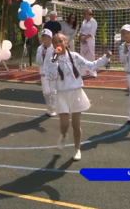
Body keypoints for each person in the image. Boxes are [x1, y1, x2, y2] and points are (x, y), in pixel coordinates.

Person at [45, 33, 111, 161]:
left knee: (76, 124)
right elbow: (51, 76)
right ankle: (63, 135)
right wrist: (54, 59)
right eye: (55, 43)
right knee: (64, 124)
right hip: (62, 94)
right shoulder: (53, 59)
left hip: (76, 93)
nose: (58, 44)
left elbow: (91, 65)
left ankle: (77, 149)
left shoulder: (74, 57)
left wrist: (105, 58)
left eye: (60, 41)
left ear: (65, 42)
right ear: (53, 46)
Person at [35, 29, 56, 117]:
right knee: (46, 92)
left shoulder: (55, 48)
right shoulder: (40, 48)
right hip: (44, 73)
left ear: (50, 38)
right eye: (43, 38)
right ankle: (49, 107)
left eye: (46, 38)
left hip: (53, 72)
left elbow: (56, 60)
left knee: (53, 91)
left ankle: (53, 109)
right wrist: (42, 55)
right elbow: (38, 62)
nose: (44, 40)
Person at [79, 9, 98, 78]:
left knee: (90, 55)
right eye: (84, 14)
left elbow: (91, 33)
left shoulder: (93, 22)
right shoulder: (84, 22)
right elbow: (80, 31)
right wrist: (81, 38)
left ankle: (92, 72)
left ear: (89, 14)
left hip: (89, 39)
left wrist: (84, 38)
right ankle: (83, 72)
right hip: (83, 39)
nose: (84, 15)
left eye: (85, 14)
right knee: (83, 55)